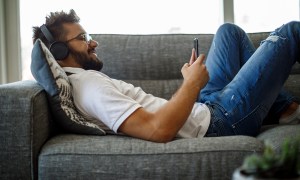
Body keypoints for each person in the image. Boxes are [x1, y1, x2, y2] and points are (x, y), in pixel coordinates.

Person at [32, 9, 300, 143]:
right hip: (221, 123)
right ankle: (284, 108)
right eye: (83, 38)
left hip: (205, 107)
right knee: (291, 33)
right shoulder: (89, 87)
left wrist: (193, 87)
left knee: (230, 33)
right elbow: (158, 130)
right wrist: (192, 84)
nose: (94, 43)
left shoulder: (84, 81)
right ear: (59, 49)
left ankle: (285, 108)